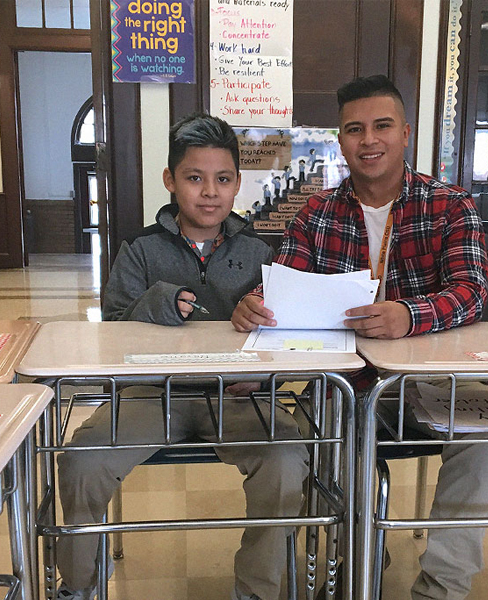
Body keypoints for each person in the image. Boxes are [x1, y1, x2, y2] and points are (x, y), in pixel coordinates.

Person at [232, 75, 488, 600]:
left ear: (405, 133)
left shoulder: (449, 206)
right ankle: (360, 573)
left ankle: (442, 587)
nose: (368, 140)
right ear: (341, 141)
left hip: (431, 381)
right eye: (354, 130)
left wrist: (410, 314)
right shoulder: (317, 213)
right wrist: (256, 306)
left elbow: (472, 290)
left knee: (482, 434)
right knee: (339, 440)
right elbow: (285, 294)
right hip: (346, 386)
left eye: (381, 126)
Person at [57, 113, 309, 600]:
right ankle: (81, 584)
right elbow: (111, 330)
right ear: (171, 180)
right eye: (195, 178)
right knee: (82, 461)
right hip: (151, 396)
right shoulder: (140, 250)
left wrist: (264, 378)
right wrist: (158, 302)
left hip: (237, 398)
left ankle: (256, 590)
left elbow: (283, 335)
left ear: (238, 185)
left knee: (286, 459)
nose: (209, 192)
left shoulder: (259, 252)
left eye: (223, 179)